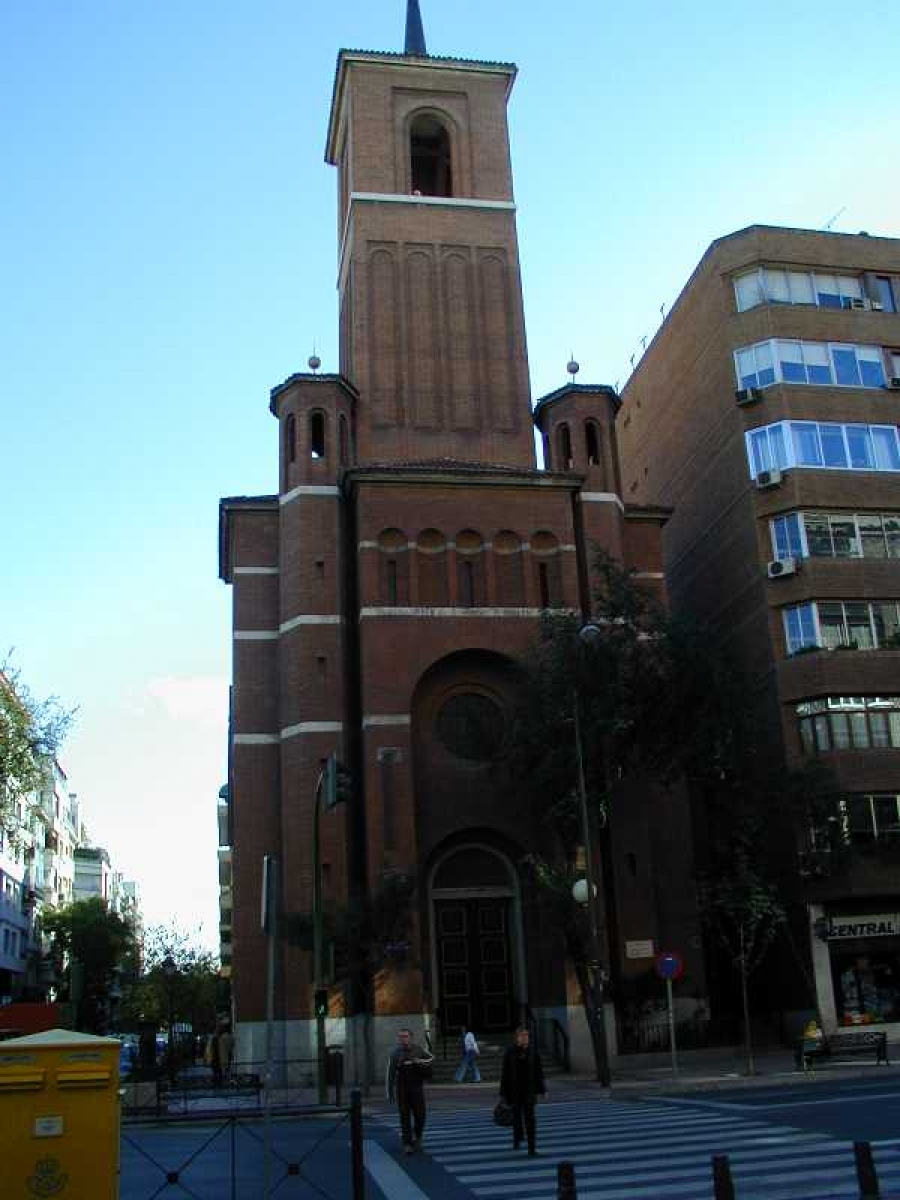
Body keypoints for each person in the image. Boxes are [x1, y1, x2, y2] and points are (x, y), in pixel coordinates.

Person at [386, 1028, 434, 1154]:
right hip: (402, 1089)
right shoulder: (395, 1053)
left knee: (421, 1116)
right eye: (401, 1037)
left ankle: (417, 1136)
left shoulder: (418, 1050)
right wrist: (389, 1093)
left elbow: (430, 1060)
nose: (403, 1039)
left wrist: (419, 1063)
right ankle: (407, 1143)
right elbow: (390, 1074)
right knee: (404, 1116)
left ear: (411, 1037)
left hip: (416, 1087)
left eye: (406, 1036)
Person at [500, 1026, 546, 1156]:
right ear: (516, 1038)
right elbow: (505, 1074)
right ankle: (516, 1139)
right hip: (514, 1091)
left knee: (530, 1119)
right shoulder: (510, 1052)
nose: (525, 1038)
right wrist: (503, 1093)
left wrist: (542, 1089)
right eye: (522, 1036)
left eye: (527, 1036)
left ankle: (532, 1148)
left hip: (529, 1091)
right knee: (516, 1118)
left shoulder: (533, 1052)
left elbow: (538, 1072)